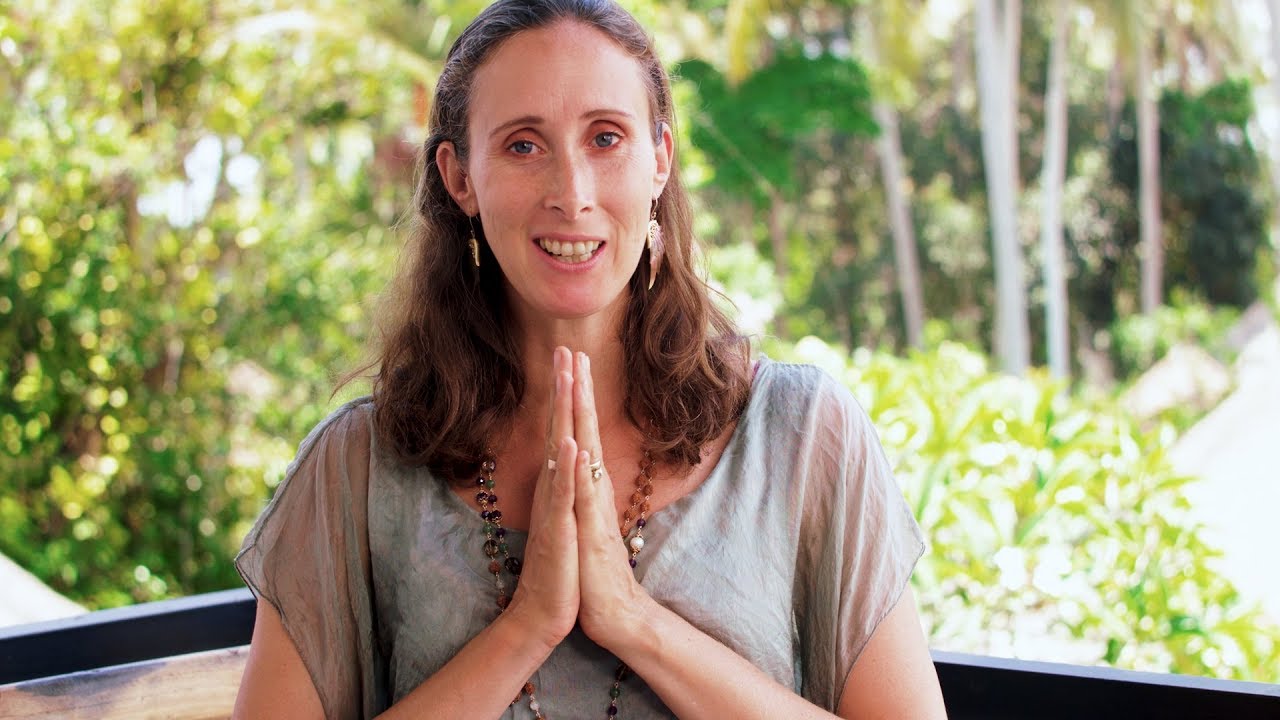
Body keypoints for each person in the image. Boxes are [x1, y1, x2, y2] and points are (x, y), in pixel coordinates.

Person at [231, 0, 947, 718]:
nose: (571, 195)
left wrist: (633, 621)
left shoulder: (803, 434)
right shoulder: (354, 468)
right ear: (459, 177)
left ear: (659, 159)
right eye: (522, 146)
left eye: (606, 138)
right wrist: (527, 626)